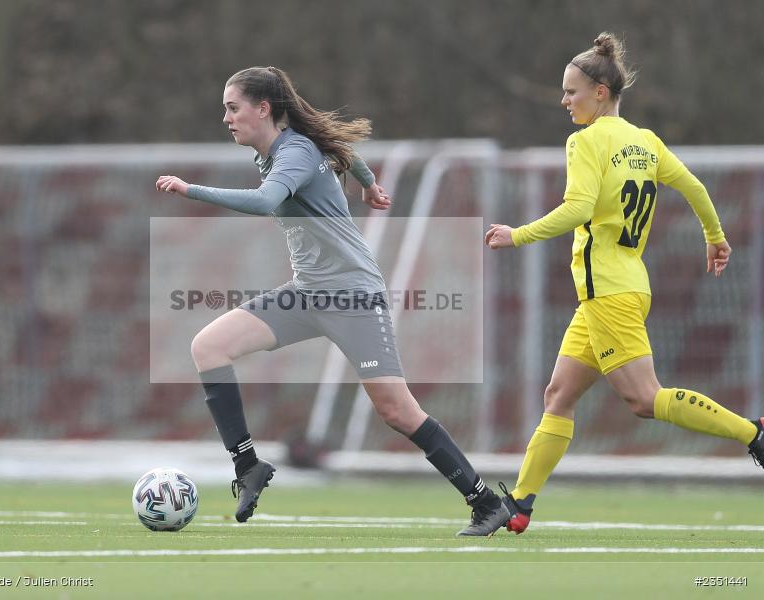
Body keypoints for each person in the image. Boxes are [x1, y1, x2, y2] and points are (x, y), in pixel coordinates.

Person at [157, 65, 510, 536]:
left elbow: (264, 202)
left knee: (397, 411)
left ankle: (486, 503)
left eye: (233, 108)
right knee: (209, 347)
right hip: (306, 295)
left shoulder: (295, 153)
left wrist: (191, 190)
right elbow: (343, 150)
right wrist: (367, 182)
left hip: (353, 297)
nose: (226, 118)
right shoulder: (282, 150)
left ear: (263, 109)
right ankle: (248, 467)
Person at [484, 33, 764, 534]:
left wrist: (518, 235)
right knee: (558, 394)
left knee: (644, 399)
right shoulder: (645, 142)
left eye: (571, 91)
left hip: (608, 291)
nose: (564, 101)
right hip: (622, 286)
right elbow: (694, 187)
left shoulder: (586, 141)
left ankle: (754, 432)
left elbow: (577, 209)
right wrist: (715, 236)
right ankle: (520, 504)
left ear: (599, 92)